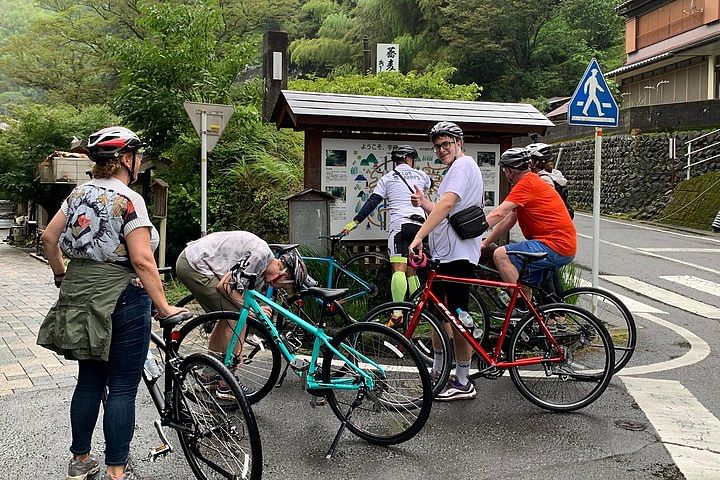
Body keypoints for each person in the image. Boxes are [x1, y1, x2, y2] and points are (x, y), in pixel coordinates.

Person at [38, 126, 186, 480]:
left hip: (80, 294)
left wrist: (61, 275)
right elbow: (142, 260)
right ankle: (116, 472)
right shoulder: (128, 199)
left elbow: (48, 238)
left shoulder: (77, 195)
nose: (139, 162)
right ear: (125, 159)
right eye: (137, 156)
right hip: (122, 297)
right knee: (121, 387)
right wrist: (165, 308)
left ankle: (80, 460)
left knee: (88, 380)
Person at [175, 230, 309, 394]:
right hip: (194, 265)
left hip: (198, 262)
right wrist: (252, 312)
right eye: (284, 286)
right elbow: (225, 286)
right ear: (284, 273)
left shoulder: (260, 274)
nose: (277, 288)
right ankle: (227, 382)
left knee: (230, 316)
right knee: (234, 315)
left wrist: (254, 310)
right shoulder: (259, 256)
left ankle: (209, 375)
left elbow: (242, 299)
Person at [408, 121, 484, 401]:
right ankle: (439, 373)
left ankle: (463, 380)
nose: (441, 150)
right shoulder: (455, 170)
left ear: (458, 143)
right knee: (438, 316)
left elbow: (448, 204)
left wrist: (418, 236)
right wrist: (424, 202)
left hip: (458, 256)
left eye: (446, 144)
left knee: (458, 318)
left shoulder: (463, 166)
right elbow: (445, 211)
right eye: (437, 146)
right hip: (445, 255)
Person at [341, 145, 432, 321]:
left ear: (396, 160)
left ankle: (397, 314)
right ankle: (418, 313)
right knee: (412, 270)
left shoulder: (388, 178)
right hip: (420, 225)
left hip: (400, 225)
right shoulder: (422, 175)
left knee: (398, 269)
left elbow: (373, 201)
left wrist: (355, 221)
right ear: (409, 159)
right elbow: (429, 185)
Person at [481, 147, 576, 305]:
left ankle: (521, 305)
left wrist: (474, 229)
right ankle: (527, 318)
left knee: (500, 255)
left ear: (509, 170)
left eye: (505, 170)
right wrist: (484, 243)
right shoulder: (531, 181)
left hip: (555, 245)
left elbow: (501, 212)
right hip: (559, 245)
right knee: (522, 284)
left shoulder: (526, 184)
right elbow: (508, 220)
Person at [527, 142, 574, 219]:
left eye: (530, 161)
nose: (528, 165)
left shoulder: (543, 180)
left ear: (536, 162)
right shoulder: (556, 176)